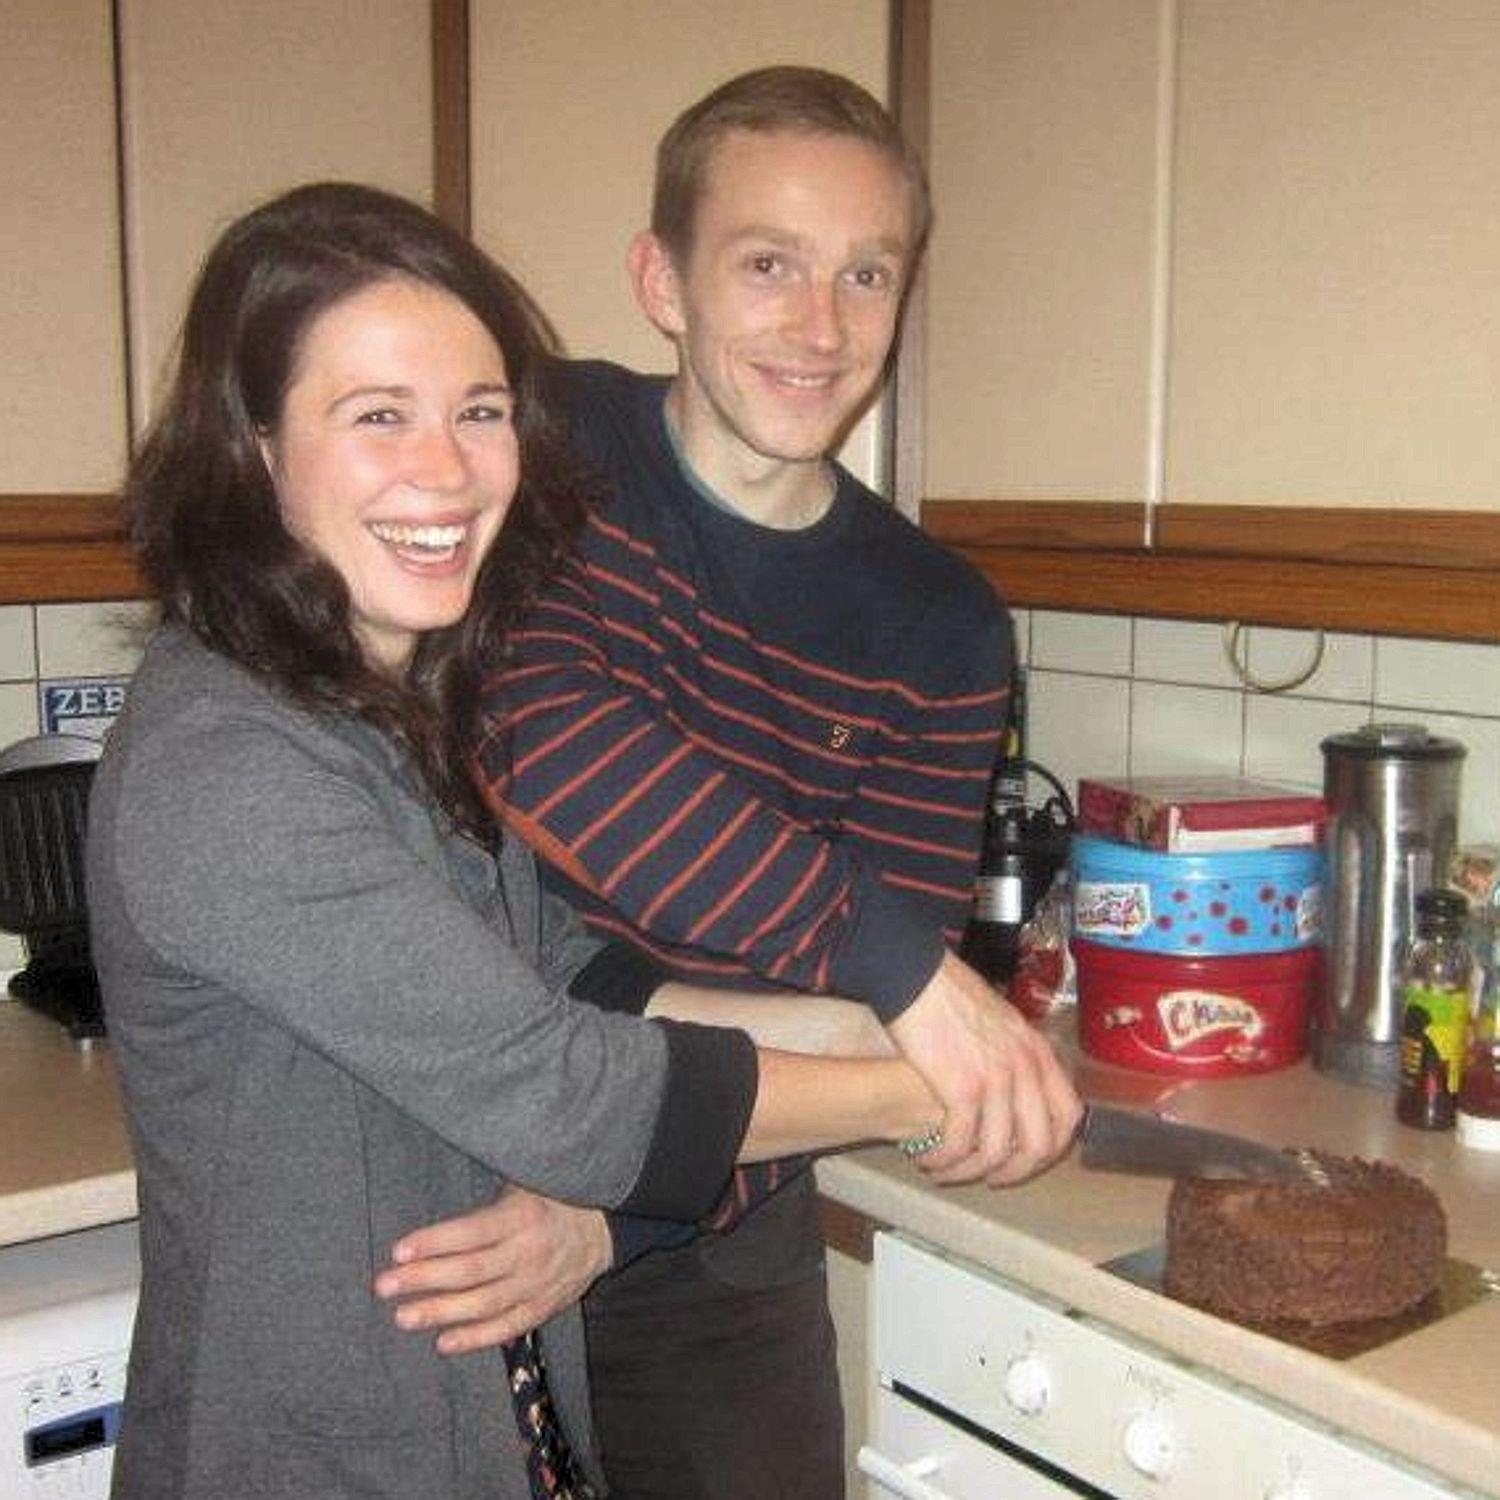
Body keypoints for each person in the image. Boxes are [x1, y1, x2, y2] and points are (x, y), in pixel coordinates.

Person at [85, 179, 954, 1500]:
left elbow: (567, 965)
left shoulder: (395, 702)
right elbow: (558, 1087)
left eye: (479, 413)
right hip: (316, 1452)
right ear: (254, 446)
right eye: (377, 415)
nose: (445, 471)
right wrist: (922, 1091)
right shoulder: (230, 759)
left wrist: (882, 1023)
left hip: (477, 1425)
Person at [376, 69, 1082, 1500]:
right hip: (451, 1164)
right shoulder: (547, 448)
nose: (820, 329)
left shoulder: (940, 622)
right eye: (768, 264)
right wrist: (916, 982)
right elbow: (544, 735)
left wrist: (614, 1216)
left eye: (865, 273)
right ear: (663, 281)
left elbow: (839, 1030)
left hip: (710, 1229)